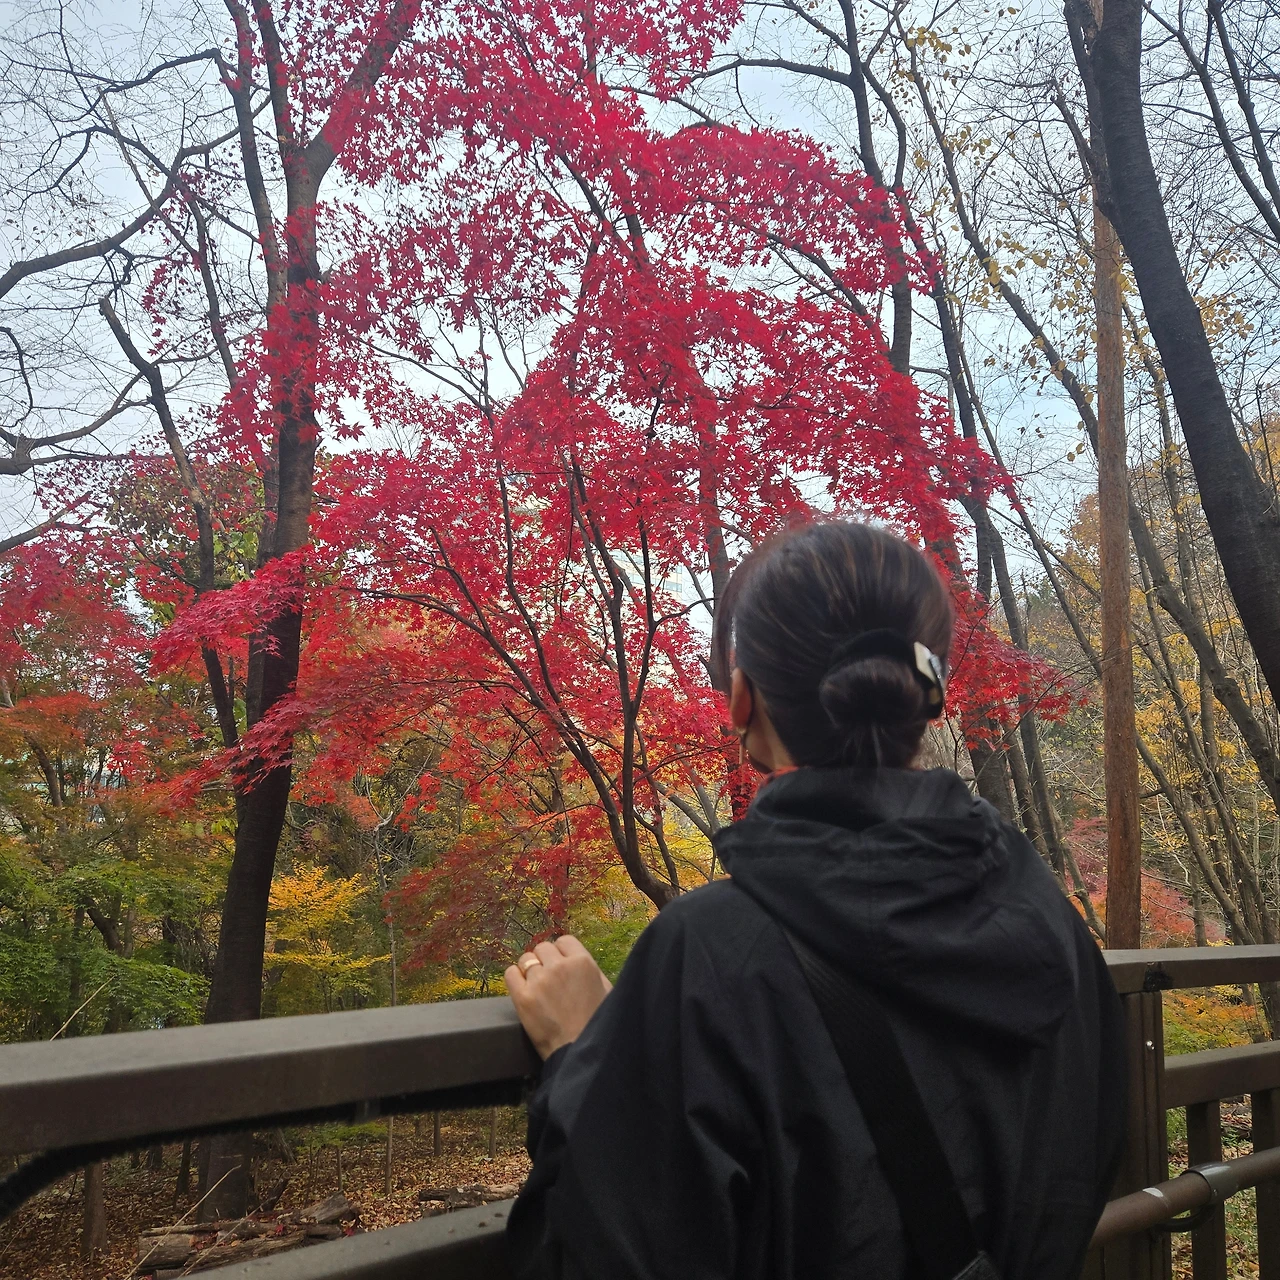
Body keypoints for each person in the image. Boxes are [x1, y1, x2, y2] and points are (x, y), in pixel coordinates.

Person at [504, 521, 1126, 1280]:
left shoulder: (712, 952)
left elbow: (605, 1253)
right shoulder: (1053, 926)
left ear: (742, 698)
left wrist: (579, 1063)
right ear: (924, 696)